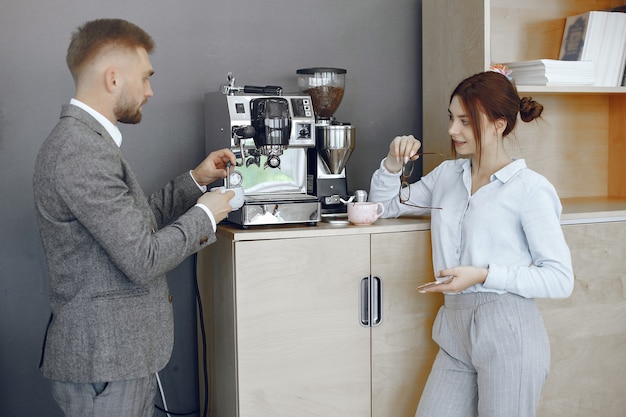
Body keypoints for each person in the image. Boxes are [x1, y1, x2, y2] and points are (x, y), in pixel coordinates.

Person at [33, 19, 237, 416]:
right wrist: (205, 216)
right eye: (144, 78)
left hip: (118, 358)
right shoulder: (80, 151)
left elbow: (134, 226)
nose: (150, 91)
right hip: (106, 361)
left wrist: (197, 180)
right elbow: (143, 257)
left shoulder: (88, 144)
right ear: (113, 79)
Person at [369, 70, 574, 417]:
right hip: (454, 330)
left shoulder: (530, 189)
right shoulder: (447, 175)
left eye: (466, 121)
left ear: (499, 124)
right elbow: (383, 208)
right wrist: (392, 164)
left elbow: (559, 278)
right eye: (452, 118)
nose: (452, 130)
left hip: (508, 329)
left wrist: (483, 274)